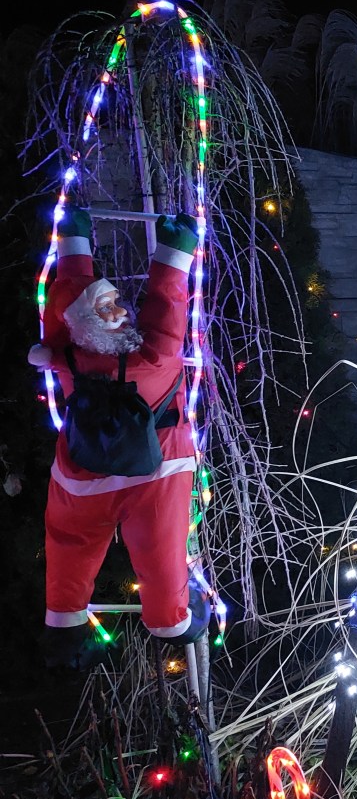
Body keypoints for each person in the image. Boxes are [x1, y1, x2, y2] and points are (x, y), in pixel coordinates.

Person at [27, 206, 209, 669]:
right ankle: (171, 619)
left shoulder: (65, 358)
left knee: (69, 542)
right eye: (108, 308)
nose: (120, 310)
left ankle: (64, 618)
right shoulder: (154, 358)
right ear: (90, 323)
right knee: (160, 547)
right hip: (155, 472)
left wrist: (71, 244)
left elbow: (61, 309)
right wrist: (176, 252)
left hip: (84, 475)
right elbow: (167, 307)